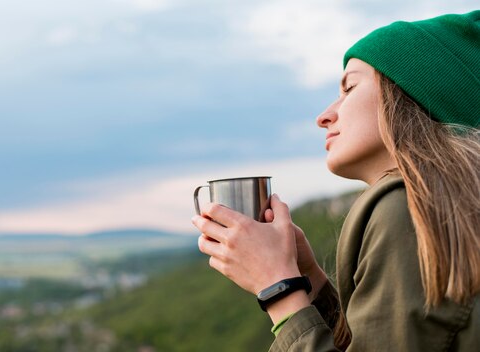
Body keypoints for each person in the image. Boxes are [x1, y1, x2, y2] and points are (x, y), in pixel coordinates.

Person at [191, 11, 480, 351]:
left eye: (350, 87)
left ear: (413, 96)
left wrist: (277, 286)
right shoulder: (446, 203)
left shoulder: (407, 206)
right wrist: (307, 277)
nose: (324, 115)